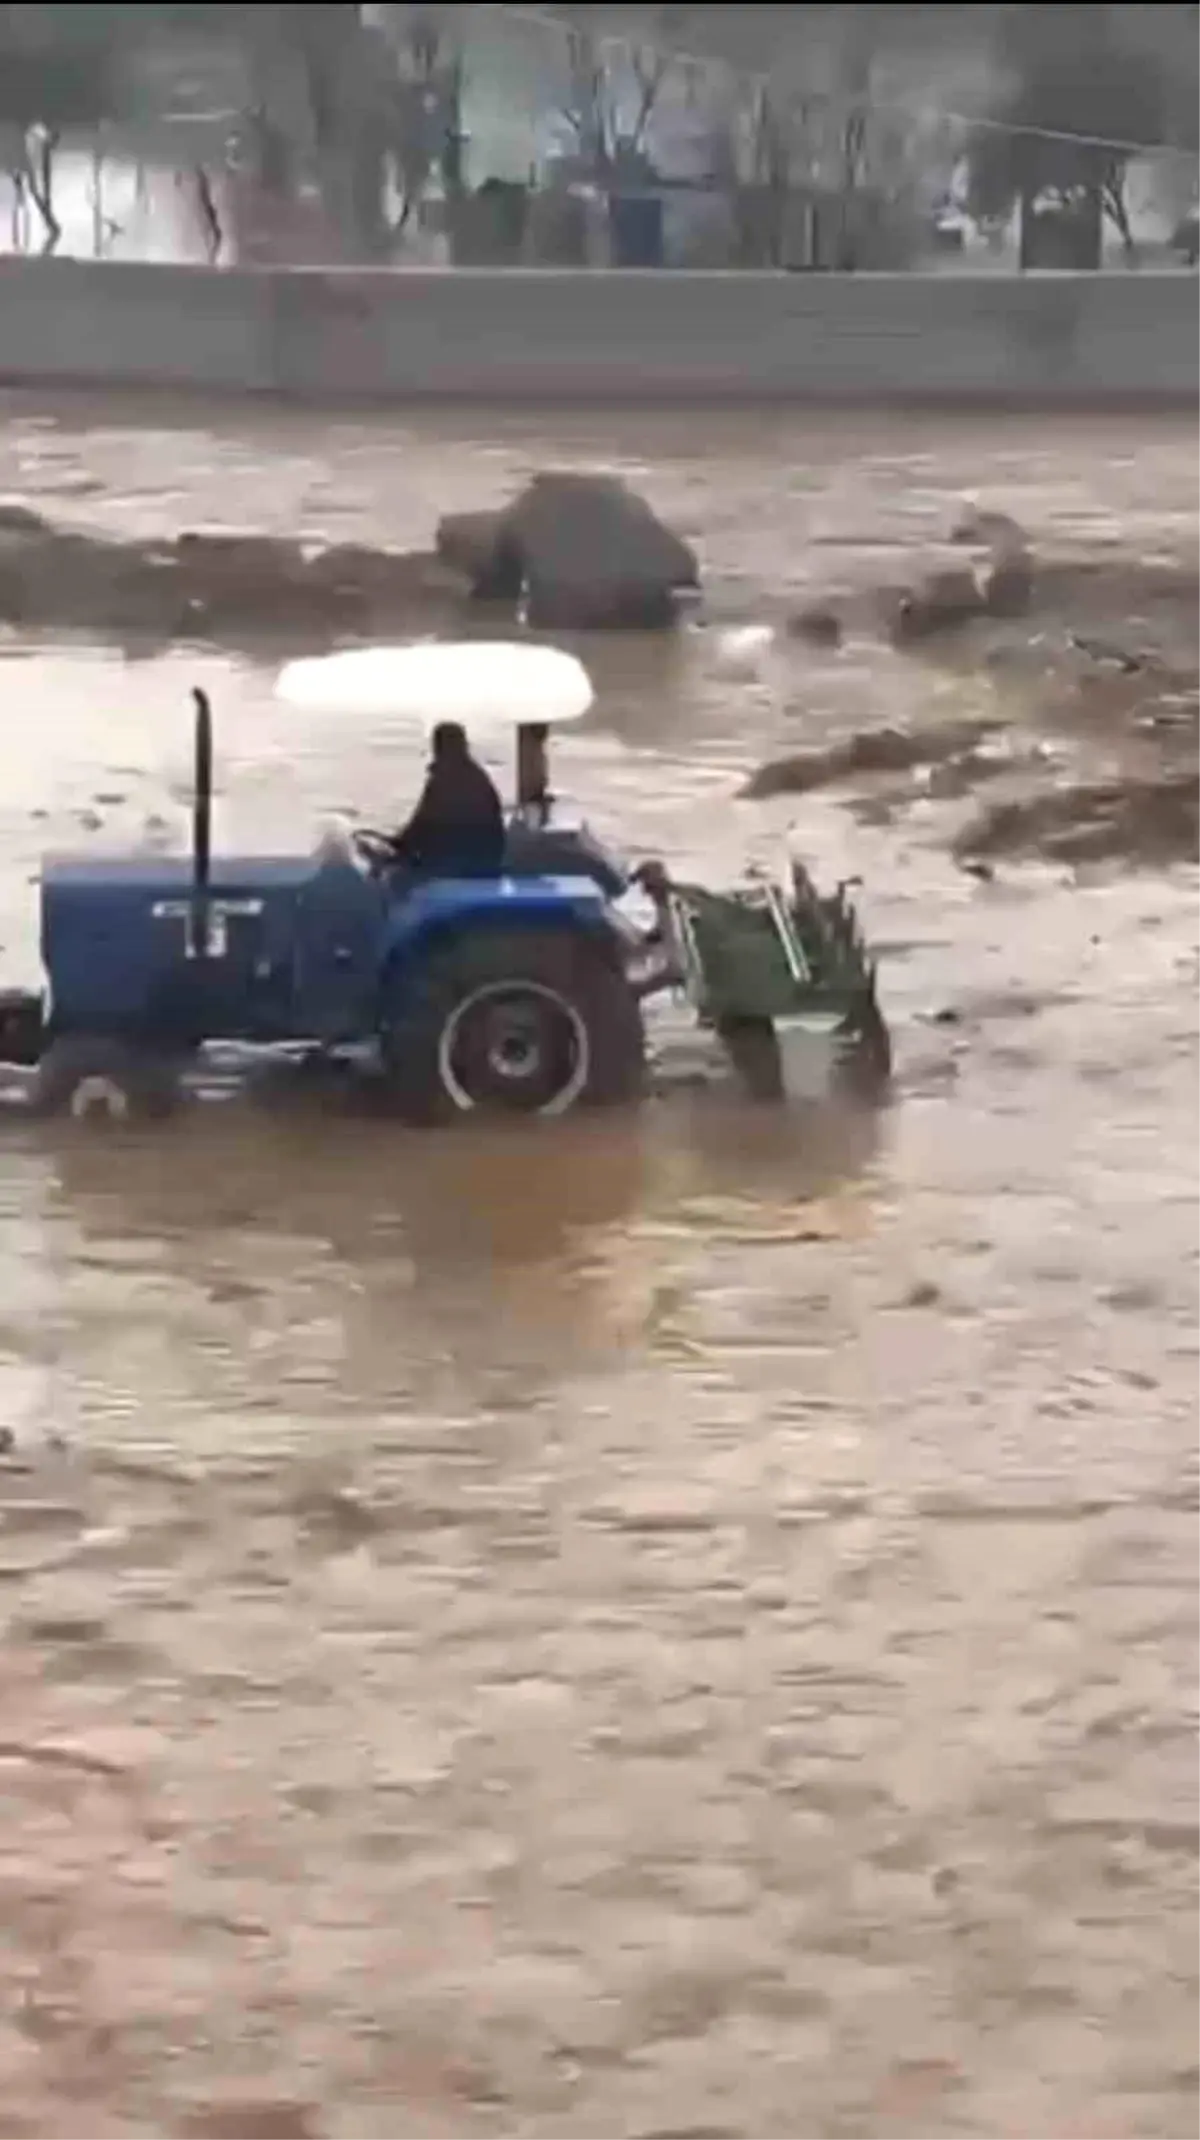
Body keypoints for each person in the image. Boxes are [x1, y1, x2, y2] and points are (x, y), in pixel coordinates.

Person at [390, 720, 506, 879]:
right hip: (486, 865)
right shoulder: (479, 778)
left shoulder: (443, 780)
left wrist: (397, 845)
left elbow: (421, 825)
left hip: (452, 869)